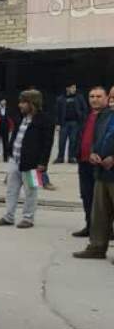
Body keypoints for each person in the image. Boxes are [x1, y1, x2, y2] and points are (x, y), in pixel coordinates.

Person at [0, 90, 54, 228]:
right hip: (15, 160)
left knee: (31, 190)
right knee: (11, 189)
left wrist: (43, 163)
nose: (20, 105)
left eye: (23, 102)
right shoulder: (20, 117)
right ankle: (8, 216)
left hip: (32, 163)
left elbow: (47, 144)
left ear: (32, 103)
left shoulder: (45, 120)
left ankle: (28, 218)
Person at [72, 87, 107, 238]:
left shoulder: (108, 117)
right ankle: (90, 226)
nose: (95, 99)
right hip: (84, 162)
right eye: (92, 96)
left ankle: (105, 231)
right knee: (86, 196)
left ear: (106, 98)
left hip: (101, 164)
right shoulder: (86, 116)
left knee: (102, 200)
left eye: (99, 96)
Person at [55, 83, 87, 164]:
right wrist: (57, 124)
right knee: (62, 141)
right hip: (64, 123)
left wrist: (82, 118)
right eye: (72, 88)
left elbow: (85, 109)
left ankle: (71, 157)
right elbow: (57, 112)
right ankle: (60, 157)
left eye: (75, 88)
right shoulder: (61, 99)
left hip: (75, 122)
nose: (74, 89)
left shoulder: (79, 97)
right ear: (67, 88)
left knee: (73, 140)